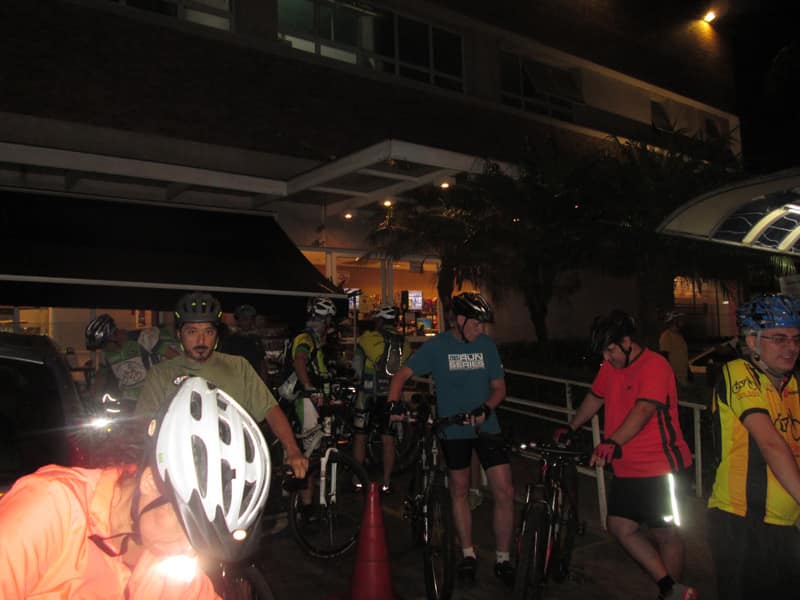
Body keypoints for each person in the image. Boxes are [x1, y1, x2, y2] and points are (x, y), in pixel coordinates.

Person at [0, 376, 271, 598]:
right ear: (151, 482)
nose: (189, 552)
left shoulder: (169, 561)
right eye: (187, 530)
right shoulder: (50, 508)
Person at [555, 310, 696, 600]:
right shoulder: (610, 368)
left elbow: (644, 409)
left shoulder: (654, 366)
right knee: (619, 526)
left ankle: (670, 593)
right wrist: (571, 426)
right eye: (603, 353)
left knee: (665, 534)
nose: (607, 358)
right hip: (627, 467)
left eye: (611, 350)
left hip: (661, 466)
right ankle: (670, 588)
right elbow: (595, 397)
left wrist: (612, 442)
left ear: (627, 342)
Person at [387, 292, 515, 585]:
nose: (480, 329)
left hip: (486, 426)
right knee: (459, 489)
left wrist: (487, 408)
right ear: (458, 320)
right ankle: (467, 553)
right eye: (475, 323)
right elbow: (401, 376)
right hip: (453, 429)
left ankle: (503, 558)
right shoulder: (437, 346)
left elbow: (499, 388)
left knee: (505, 491)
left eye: (482, 323)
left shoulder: (486, 346)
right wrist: (393, 405)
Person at [135, 291, 307, 479]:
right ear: (179, 334)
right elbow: (142, 425)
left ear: (217, 335)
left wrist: (293, 450)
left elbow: (270, 410)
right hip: (179, 472)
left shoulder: (238, 366)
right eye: (192, 332)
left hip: (234, 471)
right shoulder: (161, 374)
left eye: (208, 332)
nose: (201, 340)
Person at [707, 294, 800, 598]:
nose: (791, 347)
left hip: (786, 523)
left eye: (796, 339)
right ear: (752, 340)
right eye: (779, 338)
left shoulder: (792, 384)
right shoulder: (739, 372)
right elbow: (770, 443)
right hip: (742, 523)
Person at [351, 304, 412, 493]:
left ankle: (358, 479)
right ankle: (386, 481)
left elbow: (357, 366)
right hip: (391, 396)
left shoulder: (367, 338)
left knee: (361, 436)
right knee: (388, 439)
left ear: (379, 321)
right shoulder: (405, 343)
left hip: (367, 395)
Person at [281, 297, 337, 453]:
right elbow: (299, 361)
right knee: (311, 444)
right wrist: (308, 387)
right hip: (305, 397)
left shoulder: (315, 340)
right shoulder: (306, 338)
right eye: (328, 320)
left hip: (315, 396)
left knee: (318, 440)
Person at [85, 313, 180, 404]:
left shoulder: (144, 338)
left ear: (113, 336)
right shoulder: (106, 354)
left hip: (154, 399)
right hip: (127, 403)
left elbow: (176, 358)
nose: (104, 349)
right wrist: (91, 398)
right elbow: (101, 377)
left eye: (104, 345)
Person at [218, 304, 268, 380]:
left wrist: (264, 382)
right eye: (244, 318)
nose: (247, 321)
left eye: (249, 318)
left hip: (254, 381)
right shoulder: (230, 340)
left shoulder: (256, 339)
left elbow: (262, 363)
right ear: (238, 321)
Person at [659, 311, 690, 388]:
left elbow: (683, 355)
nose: (682, 322)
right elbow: (664, 357)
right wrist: (670, 376)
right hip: (674, 379)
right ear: (674, 321)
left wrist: (688, 370)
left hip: (682, 378)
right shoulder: (666, 336)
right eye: (680, 320)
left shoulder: (679, 336)